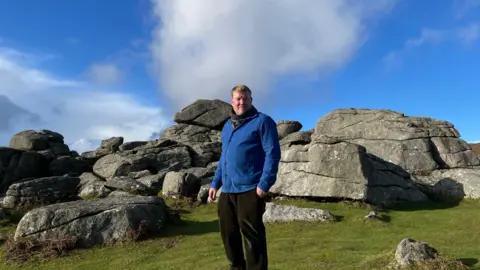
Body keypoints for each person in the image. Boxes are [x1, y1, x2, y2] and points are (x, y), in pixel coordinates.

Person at [208, 84, 281, 270]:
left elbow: (272, 154)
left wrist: (264, 184)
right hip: (228, 190)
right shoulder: (227, 126)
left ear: (251, 100)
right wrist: (215, 183)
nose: (241, 102)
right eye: (237, 99)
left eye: (245, 98)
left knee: (252, 237)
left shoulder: (263, 121)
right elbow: (224, 157)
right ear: (231, 101)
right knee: (228, 234)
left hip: (250, 188)